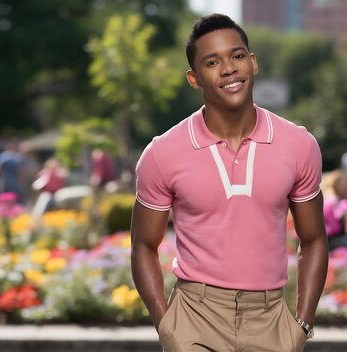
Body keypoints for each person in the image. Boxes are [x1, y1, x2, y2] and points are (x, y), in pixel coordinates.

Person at [131, 14, 328, 352]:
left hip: (271, 321)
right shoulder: (162, 153)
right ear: (194, 79)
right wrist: (167, 327)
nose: (228, 69)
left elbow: (313, 240)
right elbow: (143, 247)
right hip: (194, 317)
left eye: (237, 56)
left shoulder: (299, 144)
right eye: (212, 62)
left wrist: (302, 325)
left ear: (253, 63)